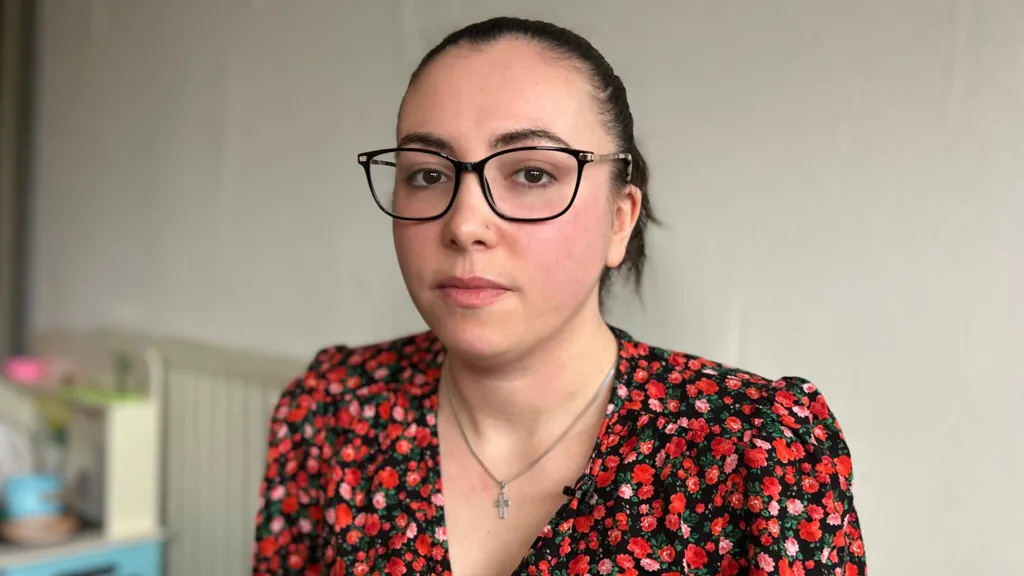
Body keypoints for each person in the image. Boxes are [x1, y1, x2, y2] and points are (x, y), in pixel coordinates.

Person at [252, 16, 867, 576]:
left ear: (619, 219)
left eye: (532, 173)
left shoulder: (756, 449)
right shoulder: (333, 408)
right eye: (428, 174)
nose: (465, 224)